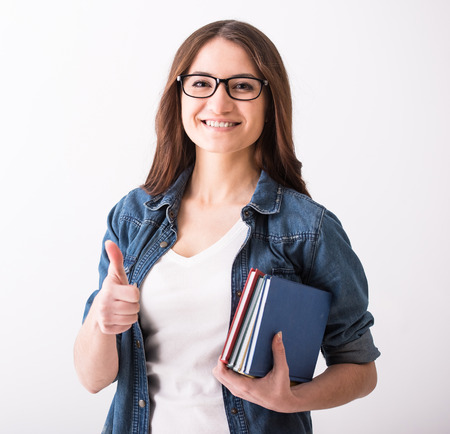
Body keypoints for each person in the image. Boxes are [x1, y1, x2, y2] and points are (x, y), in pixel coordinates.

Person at [74, 19, 380, 434]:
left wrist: (292, 399)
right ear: (179, 94)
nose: (219, 104)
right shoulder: (134, 215)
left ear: (269, 99)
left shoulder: (307, 229)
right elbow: (93, 379)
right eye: (201, 84)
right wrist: (102, 321)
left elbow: (360, 368)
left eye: (241, 86)